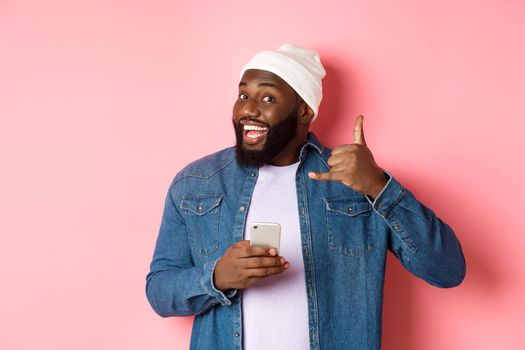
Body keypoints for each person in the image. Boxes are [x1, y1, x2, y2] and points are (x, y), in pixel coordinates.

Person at [145, 44, 466, 350]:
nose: (248, 109)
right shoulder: (197, 183)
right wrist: (217, 277)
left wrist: (379, 187)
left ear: (304, 111)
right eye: (243, 94)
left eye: (267, 97)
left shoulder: (352, 182)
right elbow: (159, 292)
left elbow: (447, 270)